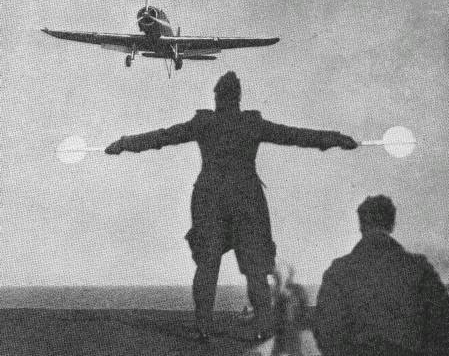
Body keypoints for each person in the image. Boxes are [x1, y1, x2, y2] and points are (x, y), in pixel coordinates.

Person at [105, 71, 358, 341]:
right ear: (238, 98)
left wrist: (124, 144)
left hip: (210, 202)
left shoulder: (205, 123)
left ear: (217, 97)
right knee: (255, 268)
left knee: (207, 266)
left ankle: (204, 327)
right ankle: (262, 326)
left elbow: (165, 137)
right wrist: (335, 138)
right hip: (247, 203)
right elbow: (295, 135)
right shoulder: (252, 123)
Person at [313, 195, 449, 356]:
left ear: (361, 227)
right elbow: (442, 325)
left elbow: (326, 332)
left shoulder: (338, 271)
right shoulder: (419, 268)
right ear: (392, 225)